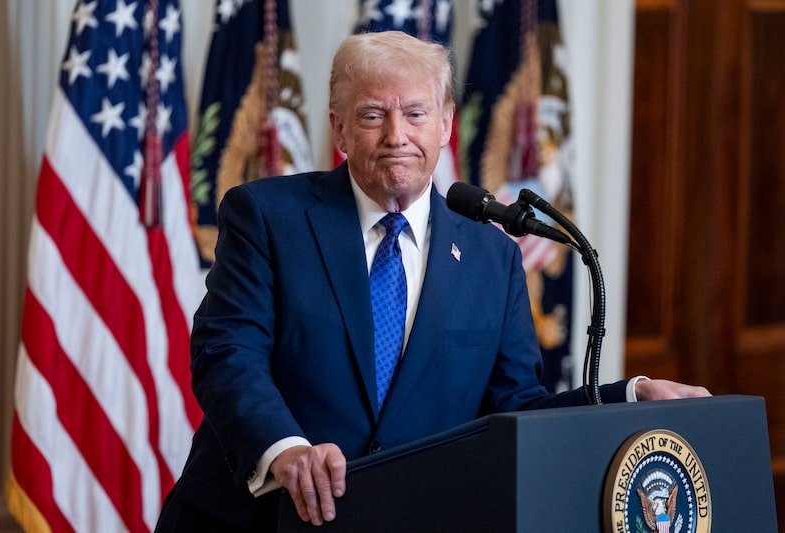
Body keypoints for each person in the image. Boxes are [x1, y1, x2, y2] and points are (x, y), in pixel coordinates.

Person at [155, 30, 710, 532]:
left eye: (416, 114)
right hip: (260, 519)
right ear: (339, 127)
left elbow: (513, 409)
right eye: (373, 115)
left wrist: (628, 397)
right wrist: (285, 450)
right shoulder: (267, 215)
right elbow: (227, 352)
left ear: (446, 124)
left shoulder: (493, 256)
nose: (398, 135)